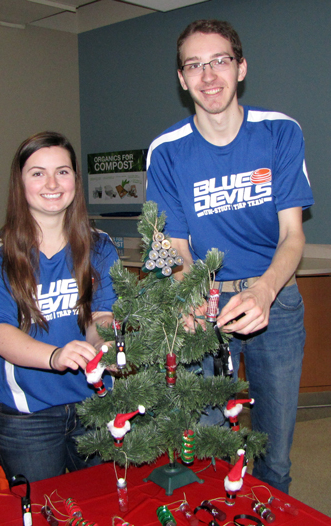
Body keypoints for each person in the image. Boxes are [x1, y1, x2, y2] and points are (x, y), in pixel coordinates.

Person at [146, 19, 314, 493]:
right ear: (182, 79)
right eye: (194, 65)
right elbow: (172, 248)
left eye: (219, 61)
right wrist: (188, 295)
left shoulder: (279, 133)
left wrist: (264, 289)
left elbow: (293, 237)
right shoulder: (167, 152)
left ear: (241, 68)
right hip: (204, 309)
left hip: (274, 300)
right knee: (207, 446)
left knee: (273, 453)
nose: (208, 76)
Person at [0, 131, 118, 483]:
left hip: (95, 404)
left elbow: (100, 315)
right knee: (40, 509)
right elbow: (0, 335)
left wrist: (102, 345)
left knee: (105, 502)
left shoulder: (100, 246)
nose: (52, 183)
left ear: (75, 180)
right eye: (38, 173)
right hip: (28, 416)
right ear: (19, 183)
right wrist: (56, 357)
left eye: (63, 172)